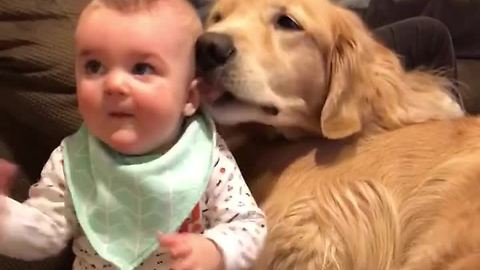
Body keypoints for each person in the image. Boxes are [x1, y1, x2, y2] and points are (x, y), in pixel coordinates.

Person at [0, 0, 266, 269]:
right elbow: (49, 233)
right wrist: (7, 221)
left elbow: (249, 226)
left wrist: (216, 249)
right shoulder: (72, 161)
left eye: (141, 69)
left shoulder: (207, 157)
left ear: (189, 97)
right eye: (94, 67)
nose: (114, 84)